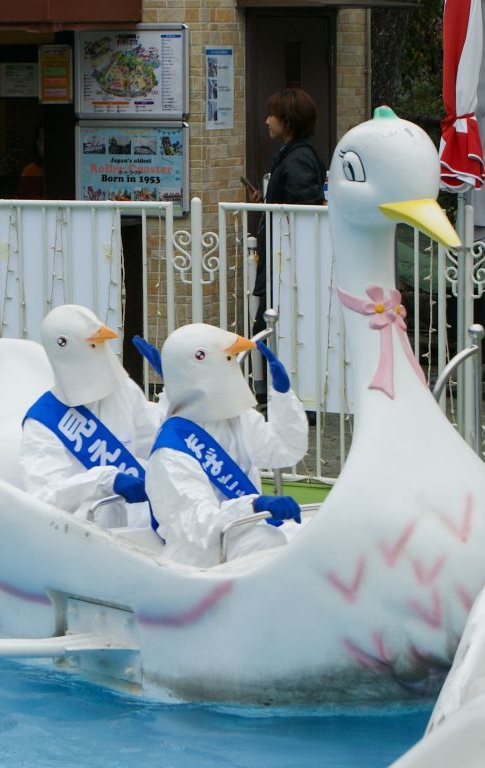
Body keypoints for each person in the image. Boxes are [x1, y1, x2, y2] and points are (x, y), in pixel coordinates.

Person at [146, 323, 309, 567]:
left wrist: (283, 395)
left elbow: (285, 450)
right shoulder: (170, 452)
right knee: (267, 541)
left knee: (315, 530)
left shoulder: (238, 419)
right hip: (199, 557)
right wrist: (253, 505)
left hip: (246, 531)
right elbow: (200, 525)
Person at [20, 304, 164, 528]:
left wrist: (177, 394)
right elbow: (44, 496)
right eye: (93, 345)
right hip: (85, 533)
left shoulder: (124, 391)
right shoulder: (42, 422)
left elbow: (157, 446)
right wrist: (103, 481)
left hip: (145, 526)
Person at [248, 88, 326, 399]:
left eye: (272, 115)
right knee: (271, 325)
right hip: (282, 259)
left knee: (270, 325)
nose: (267, 120)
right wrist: (267, 203)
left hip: (287, 262)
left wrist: (274, 209)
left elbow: (303, 208)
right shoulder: (294, 154)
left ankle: (281, 395)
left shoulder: (299, 158)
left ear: (287, 122)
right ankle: (279, 394)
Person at [15, 123, 45, 199]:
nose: (42, 145)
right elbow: (20, 201)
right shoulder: (30, 171)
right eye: (41, 140)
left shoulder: (64, 171)